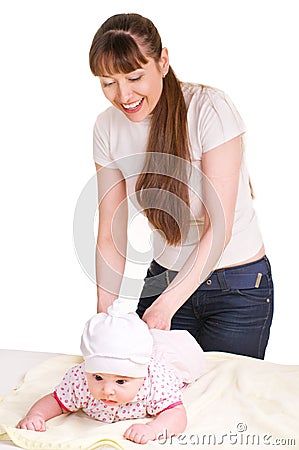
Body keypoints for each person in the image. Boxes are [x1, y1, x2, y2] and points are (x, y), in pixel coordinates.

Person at [90, 13, 274, 359]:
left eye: (134, 76)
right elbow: (110, 234)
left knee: (222, 403)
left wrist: (165, 306)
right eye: (108, 82)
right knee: (155, 401)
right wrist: (104, 315)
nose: (123, 94)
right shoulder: (106, 127)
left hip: (235, 288)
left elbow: (219, 228)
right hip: (162, 278)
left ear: (162, 62)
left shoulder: (209, 109)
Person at [17, 299, 205, 444]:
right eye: (98, 377)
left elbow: (176, 414)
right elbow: (56, 400)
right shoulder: (80, 380)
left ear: (142, 377)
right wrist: (36, 415)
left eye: (121, 381)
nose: (107, 390)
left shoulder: (155, 382)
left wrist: (153, 429)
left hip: (170, 357)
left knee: (187, 356)